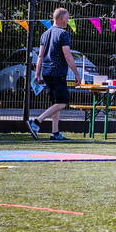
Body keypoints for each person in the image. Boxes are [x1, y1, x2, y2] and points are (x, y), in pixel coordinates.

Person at [27, 8, 81, 141]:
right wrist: (76, 74)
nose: (68, 21)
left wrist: (37, 74)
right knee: (62, 103)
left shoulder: (45, 34)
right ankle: (36, 122)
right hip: (58, 73)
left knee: (55, 103)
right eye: (67, 18)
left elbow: (40, 56)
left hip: (46, 72)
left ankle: (55, 133)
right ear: (61, 18)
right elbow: (68, 56)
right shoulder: (63, 34)